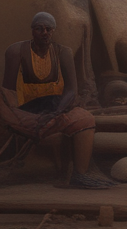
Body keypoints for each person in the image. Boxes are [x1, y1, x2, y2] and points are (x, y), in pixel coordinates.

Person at [1, 13, 107, 189]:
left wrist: (58, 111)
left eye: (48, 29)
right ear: (32, 31)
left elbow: (72, 90)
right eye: (39, 28)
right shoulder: (16, 51)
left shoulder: (62, 52)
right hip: (25, 111)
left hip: (55, 108)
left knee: (85, 118)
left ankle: (80, 174)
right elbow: (8, 92)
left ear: (53, 31)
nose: (44, 32)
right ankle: (38, 126)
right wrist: (14, 115)